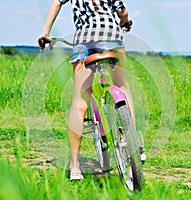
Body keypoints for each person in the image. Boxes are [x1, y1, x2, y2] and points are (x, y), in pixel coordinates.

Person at [38, 0, 136, 181]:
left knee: (79, 101)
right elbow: (121, 11)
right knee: (122, 87)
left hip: (84, 38)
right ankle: (134, 147)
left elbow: (57, 2)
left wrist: (46, 33)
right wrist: (125, 21)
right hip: (111, 35)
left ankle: (75, 167)